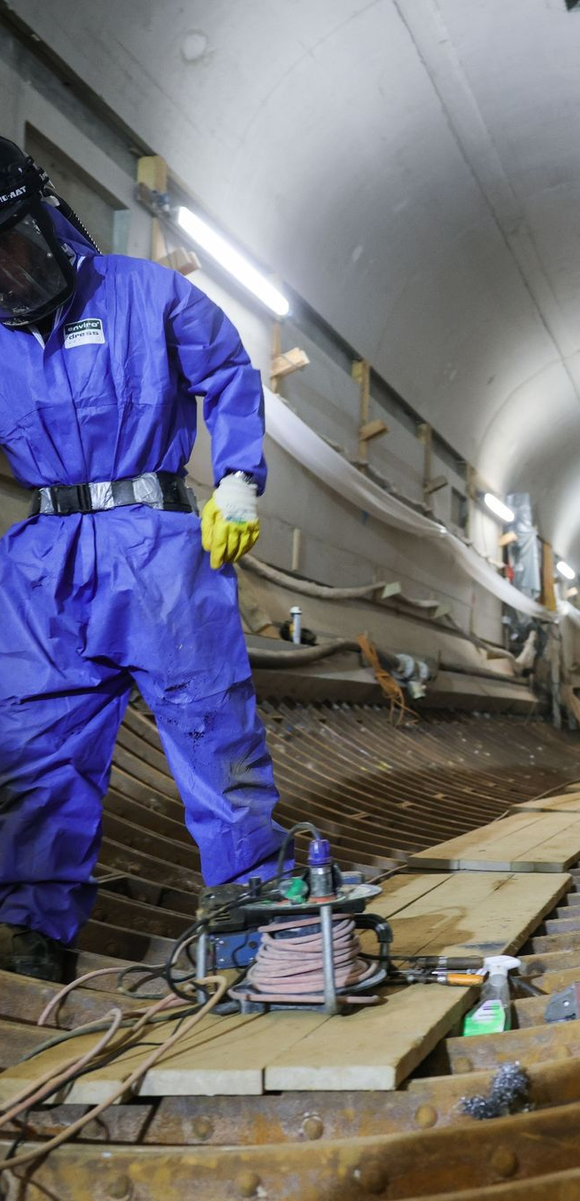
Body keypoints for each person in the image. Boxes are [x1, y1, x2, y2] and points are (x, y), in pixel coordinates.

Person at [0, 137, 288, 982]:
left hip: (156, 545)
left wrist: (238, 476)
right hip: (44, 558)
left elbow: (231, 372)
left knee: (209, 724)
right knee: (37, 745)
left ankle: (248, 909)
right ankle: (31, 931)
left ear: (45, 220)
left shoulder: (144, 292)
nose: (8, 274)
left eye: (11, 247)